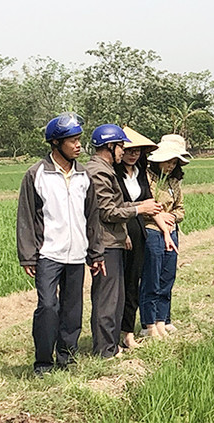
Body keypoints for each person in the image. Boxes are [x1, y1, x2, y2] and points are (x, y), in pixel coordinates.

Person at [16, 113, 105, 376]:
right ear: (56, 143)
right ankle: (43, 362)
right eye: (72, 141)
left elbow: (92, 217)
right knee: (47, 306)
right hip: (48, 254)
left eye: (79, 140)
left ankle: (67, 357)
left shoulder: (83, 175)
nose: (78, 145)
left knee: (72, 309)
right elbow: (26, 217)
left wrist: (96, 253)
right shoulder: (37, 174)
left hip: (76, 254)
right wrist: (28, 255)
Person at [85, 124, 161, 358]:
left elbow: (116, 205)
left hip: (113, 241)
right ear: (110, 146)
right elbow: (107, 211)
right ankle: (105, 349)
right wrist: (139, 209)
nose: (123, 151)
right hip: (105, 242)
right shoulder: (99, 172)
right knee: (107, 297)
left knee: (115, 296)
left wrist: (140, 206)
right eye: (121, 147)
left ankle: (111, 344)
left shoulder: (105, 169)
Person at [140, 134, 189, 338]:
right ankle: (149, 323)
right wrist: (161, 217)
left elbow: (181, 209)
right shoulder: (147, 178)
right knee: (152, 277)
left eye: (174, 162)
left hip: (172, 231)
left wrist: (172, 217)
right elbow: (146, 206)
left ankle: (163, 319)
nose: (170, 165)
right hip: (152, 231)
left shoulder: (174, 182)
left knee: (167, 276)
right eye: (168, 161)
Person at [115, 127, 158, 348]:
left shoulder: (141, 173)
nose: (133, 155)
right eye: (129, 150)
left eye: (137, 151)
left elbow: (150, 203)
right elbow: (114, 207)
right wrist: (123, 232)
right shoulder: (113, 174)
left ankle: (128, 332)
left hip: (138, 231)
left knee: (133, 282)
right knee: (117, 284)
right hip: (119, 232)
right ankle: (111, 331)